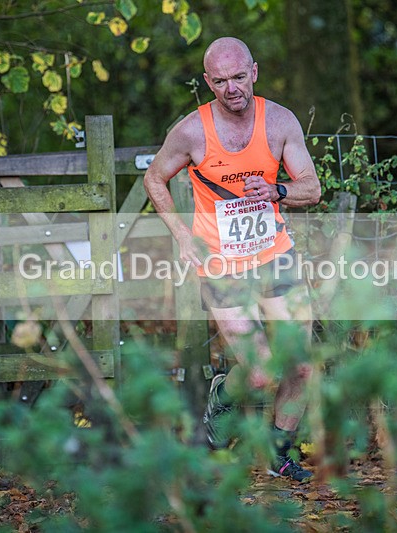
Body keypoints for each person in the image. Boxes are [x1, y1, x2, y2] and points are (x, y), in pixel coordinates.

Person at [144, 37, 321, 482]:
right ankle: (223, 395)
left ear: (254, 72)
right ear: (208, 82)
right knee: (260, 374)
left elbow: (312, 189)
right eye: (220, 81)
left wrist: (278, 190)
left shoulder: (279, 121)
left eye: (239, 77)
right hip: (221, 266)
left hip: (275, 256)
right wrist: (182, 236)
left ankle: (280, 453)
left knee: (301, 363)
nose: (231, 89)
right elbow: (154, 178)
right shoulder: (191, 132)